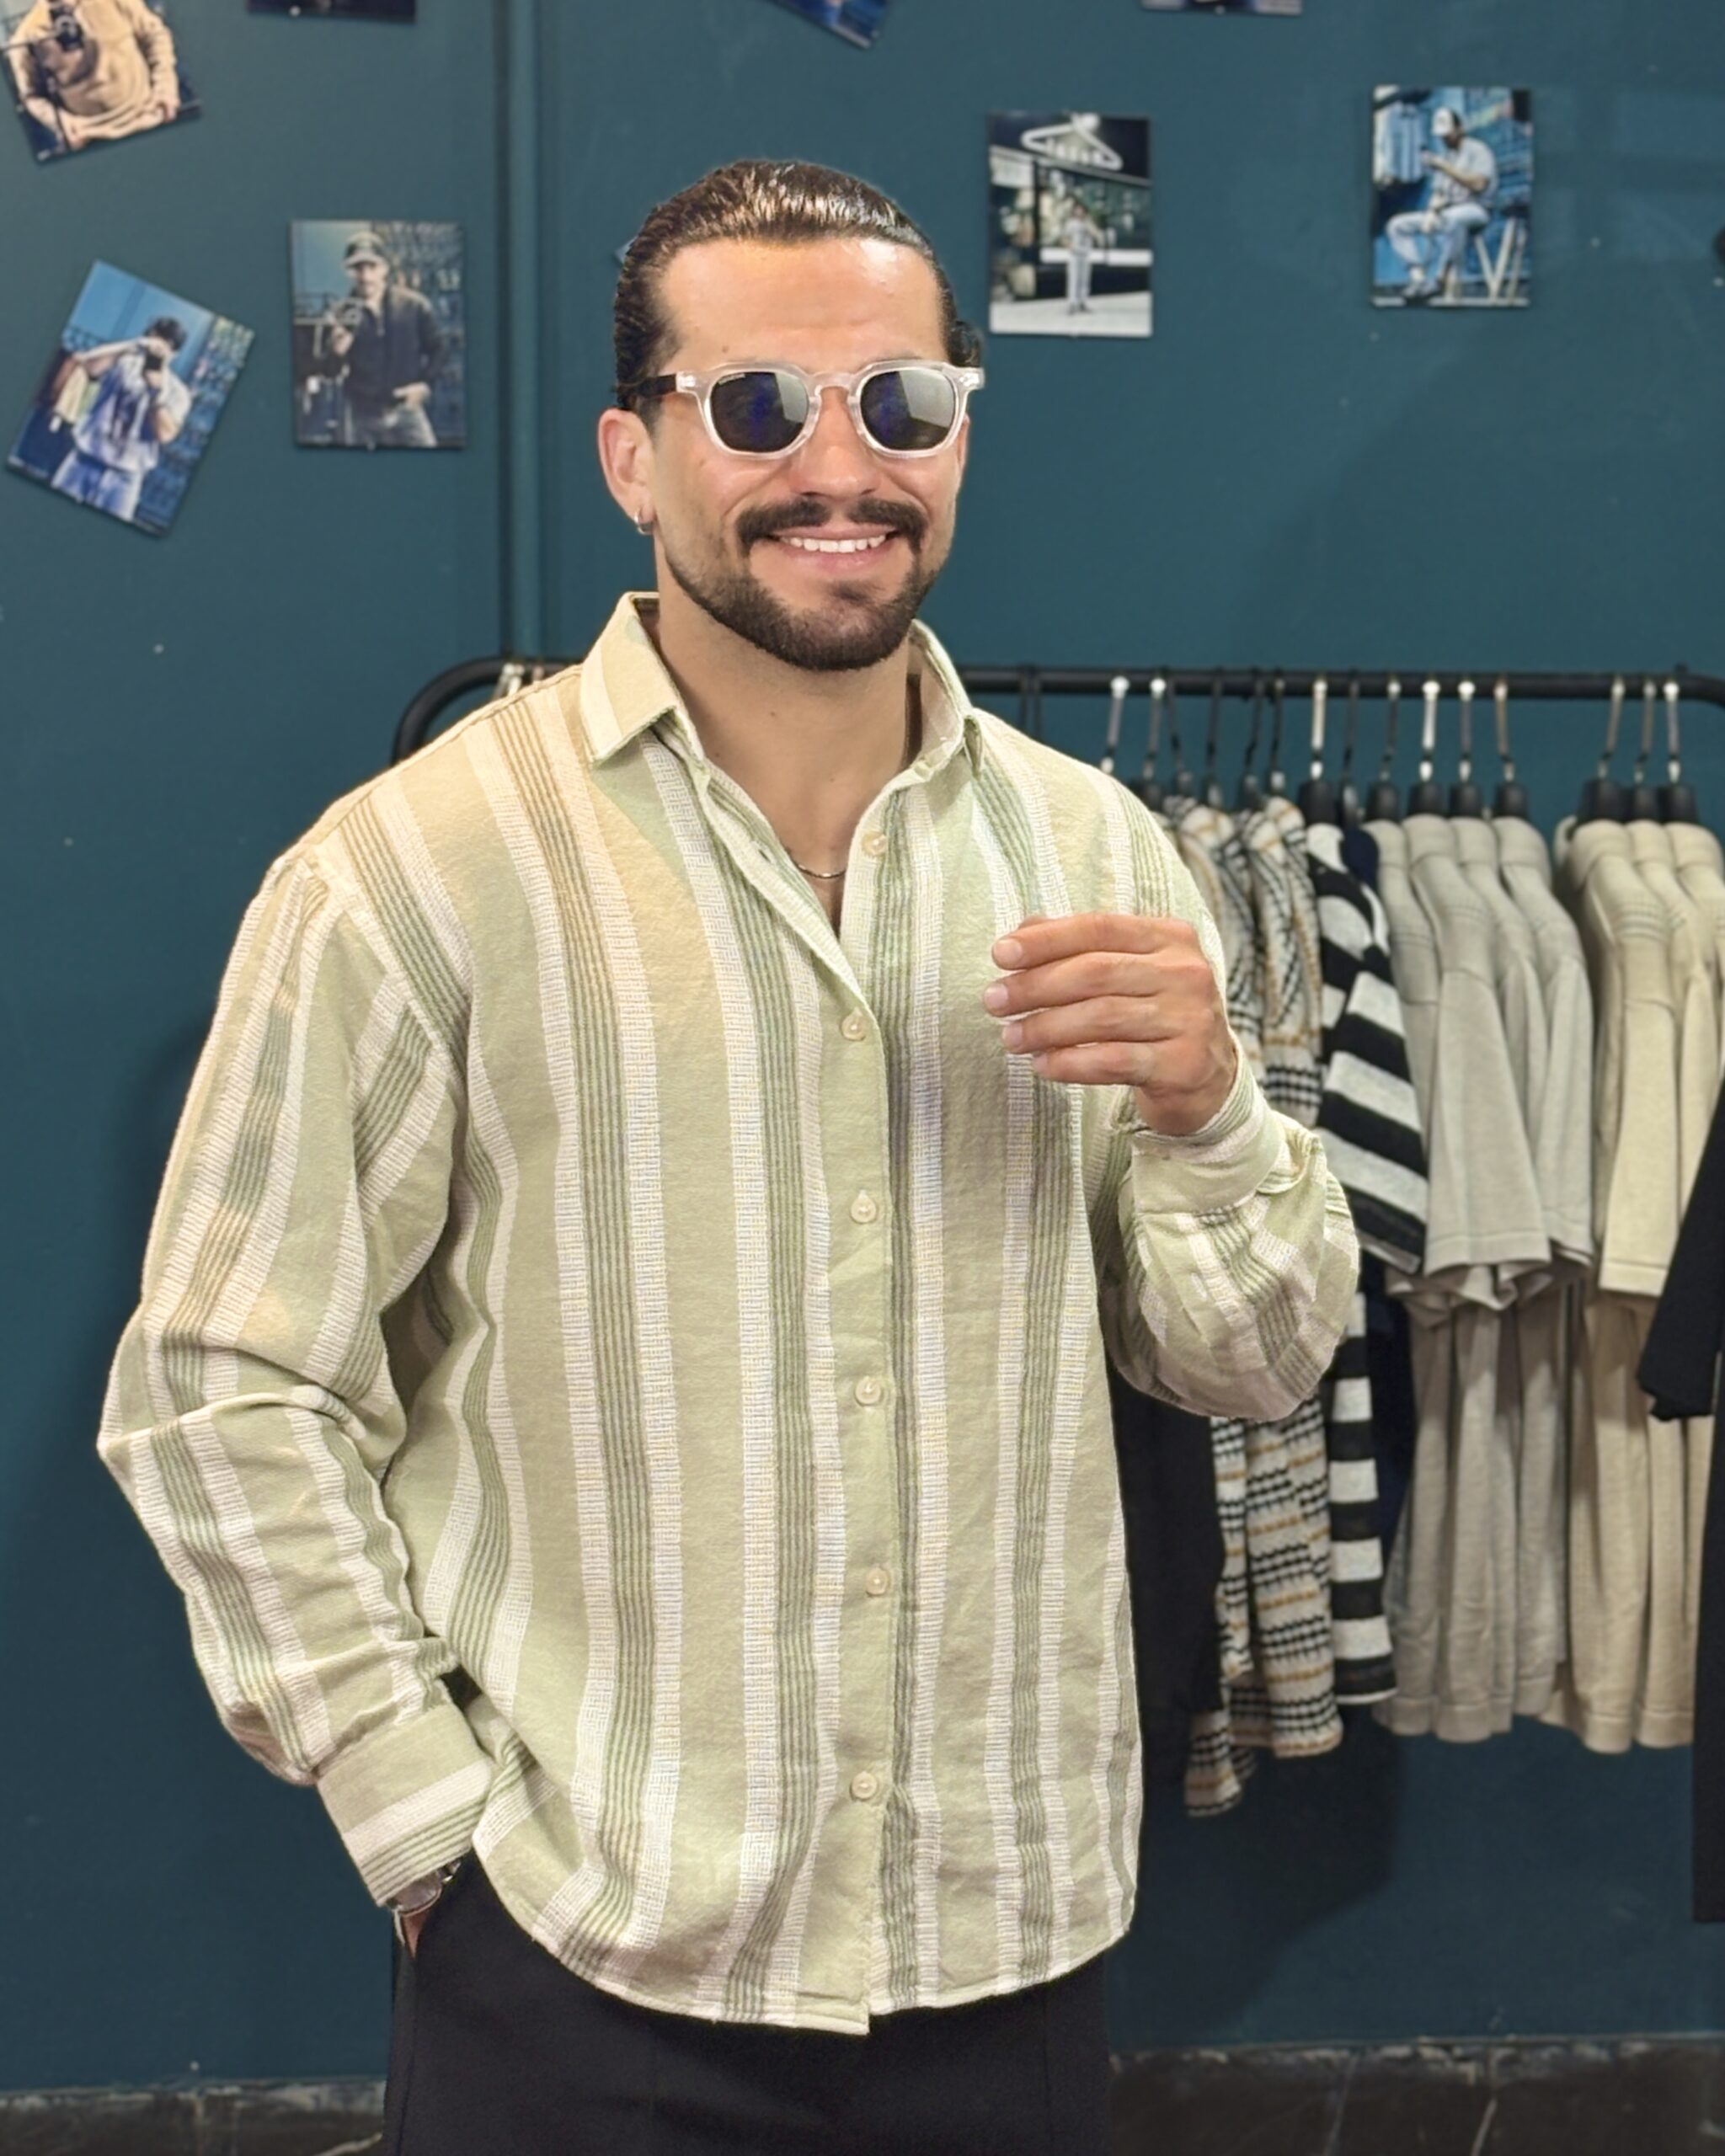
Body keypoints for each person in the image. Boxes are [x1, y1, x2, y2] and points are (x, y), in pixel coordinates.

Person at [97, 157, 1356, 2154]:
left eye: (901, 403)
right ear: (634, 455)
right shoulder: (415, 870)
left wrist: (1211, 1110)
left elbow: (1251, 1359)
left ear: (959, 435)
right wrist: (422, 1820)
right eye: (757, 403)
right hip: (581, 1954)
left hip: (1004, 1943)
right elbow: (221, 1384)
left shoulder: (1096, 854)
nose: (839, 466)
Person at [47, 314, 190, 524]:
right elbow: (87, 365)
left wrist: (156, 393)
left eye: (166, 345)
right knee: (52, 518)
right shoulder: (121, 363)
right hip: (84, 460)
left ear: (174, 352)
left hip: (125, 479)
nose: (157, 348)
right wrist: (132, 346)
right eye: (155, 338)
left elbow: (165, 434)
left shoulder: (177, 391)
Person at [321, 229, 445, 448]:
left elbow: (439, 350)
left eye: (372, 267)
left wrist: (425, 385)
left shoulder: (414, 306)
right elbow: (328, 371)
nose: (366, 276)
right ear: (349, 272)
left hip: (407, 409)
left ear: (385, 268)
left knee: (428, 465)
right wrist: (337, 353)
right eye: (358, 268)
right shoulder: (339, 315)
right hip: (361, 415)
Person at [8, 0, 181, 155]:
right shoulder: (25, 38)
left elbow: (155, 36)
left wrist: (165, 88)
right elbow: (31, 95)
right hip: (90, 140)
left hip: (148, 117)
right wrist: (62, 123)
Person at [1386, 104, 1498, 304]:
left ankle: (1439, 280)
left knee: (1453, 219)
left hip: (1477, 210)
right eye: (1441, 136)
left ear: (1460, 129)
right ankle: (1419, 280)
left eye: (1448, 135)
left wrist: (1445, 167)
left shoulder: (1478, 150)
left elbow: (1479, 185)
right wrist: (1431, 212)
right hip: (1446, 214)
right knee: (1397, 225)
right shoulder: (1447, 156)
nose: (1445, 140)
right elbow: (1439, 193)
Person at [1061, 197, 1101, 315]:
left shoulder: (1088, 223)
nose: (1079, 212)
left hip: (1085, 254)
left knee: (1085, 279)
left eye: (1081, 210)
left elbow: (1096, 234)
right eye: (1077, 210)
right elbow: (1065, 238)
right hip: (1075, 254)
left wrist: (1088, 223)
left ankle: (1083, 302)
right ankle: (1072, 303)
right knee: (1074, 279)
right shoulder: (1071, 223)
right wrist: (1070, 247)